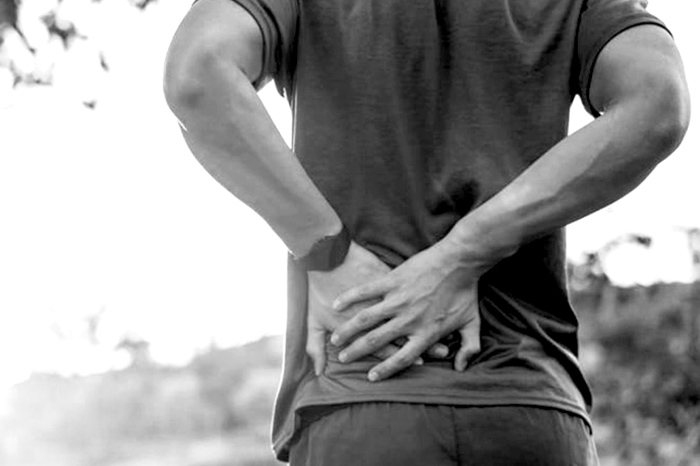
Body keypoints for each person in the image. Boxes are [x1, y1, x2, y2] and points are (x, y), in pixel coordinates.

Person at [163, 0, 690, 464]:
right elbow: (657, 99)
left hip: (362, 401)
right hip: (530, 408)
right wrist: (468, 249)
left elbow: (198, 72)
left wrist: (326, 250)